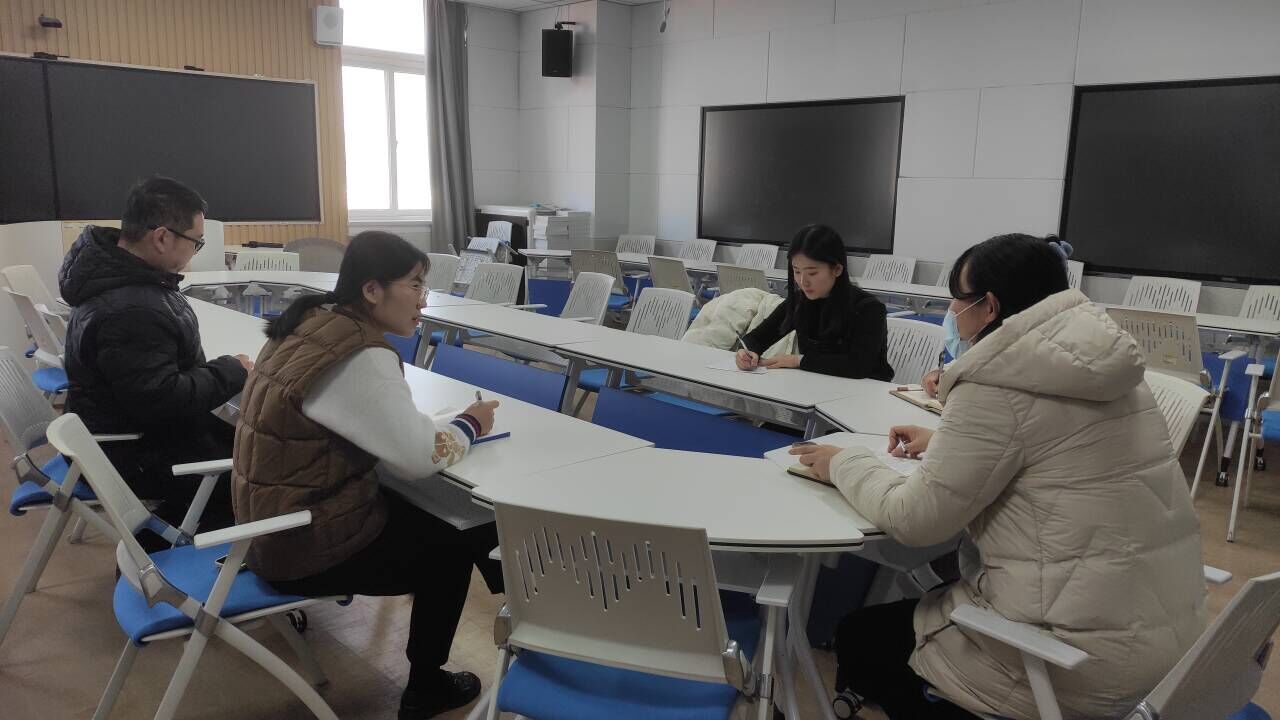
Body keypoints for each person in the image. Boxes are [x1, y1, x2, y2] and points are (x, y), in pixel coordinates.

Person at [792, 234, 1206, 719]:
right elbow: (1052, 449)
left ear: (988, 306)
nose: (952, 310)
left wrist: (842, 462)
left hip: (1071, 664)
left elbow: (914, 520)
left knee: (860, 639)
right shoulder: (1111, 368)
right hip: (1168, 648)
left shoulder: (993, 381)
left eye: (959, 298)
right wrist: (944, 441)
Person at [232, 231, 500, 719]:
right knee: (455, 540)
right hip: (300, 545)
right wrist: (470, 424)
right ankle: (428, 686)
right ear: (372, 290)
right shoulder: (360, 354)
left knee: (451, 518)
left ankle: (514, 592)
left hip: (268, 527)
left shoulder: (310, 321)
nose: (424, 300)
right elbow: (417, 458)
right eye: (414, 285)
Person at [59, 176, 251, 533]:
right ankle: (173, 548)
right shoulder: (132, 309)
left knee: (247, 439)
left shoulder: (115, 280)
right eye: (196, 242)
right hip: (137, 455)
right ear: (162, 237)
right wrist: (232, 370)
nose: (195, 252)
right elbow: (163, 399)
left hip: (127, 435)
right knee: (264, 473)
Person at [735, 224, 893, 380]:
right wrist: (746, 353)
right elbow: (756, 338)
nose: (803, 281)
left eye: (812, 273)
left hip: (866, 390)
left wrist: (798, 361)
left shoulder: (868, 308)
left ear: (837, 269)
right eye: (797, 271)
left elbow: (858, 366)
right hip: (816, 387)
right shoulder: (799, 301)